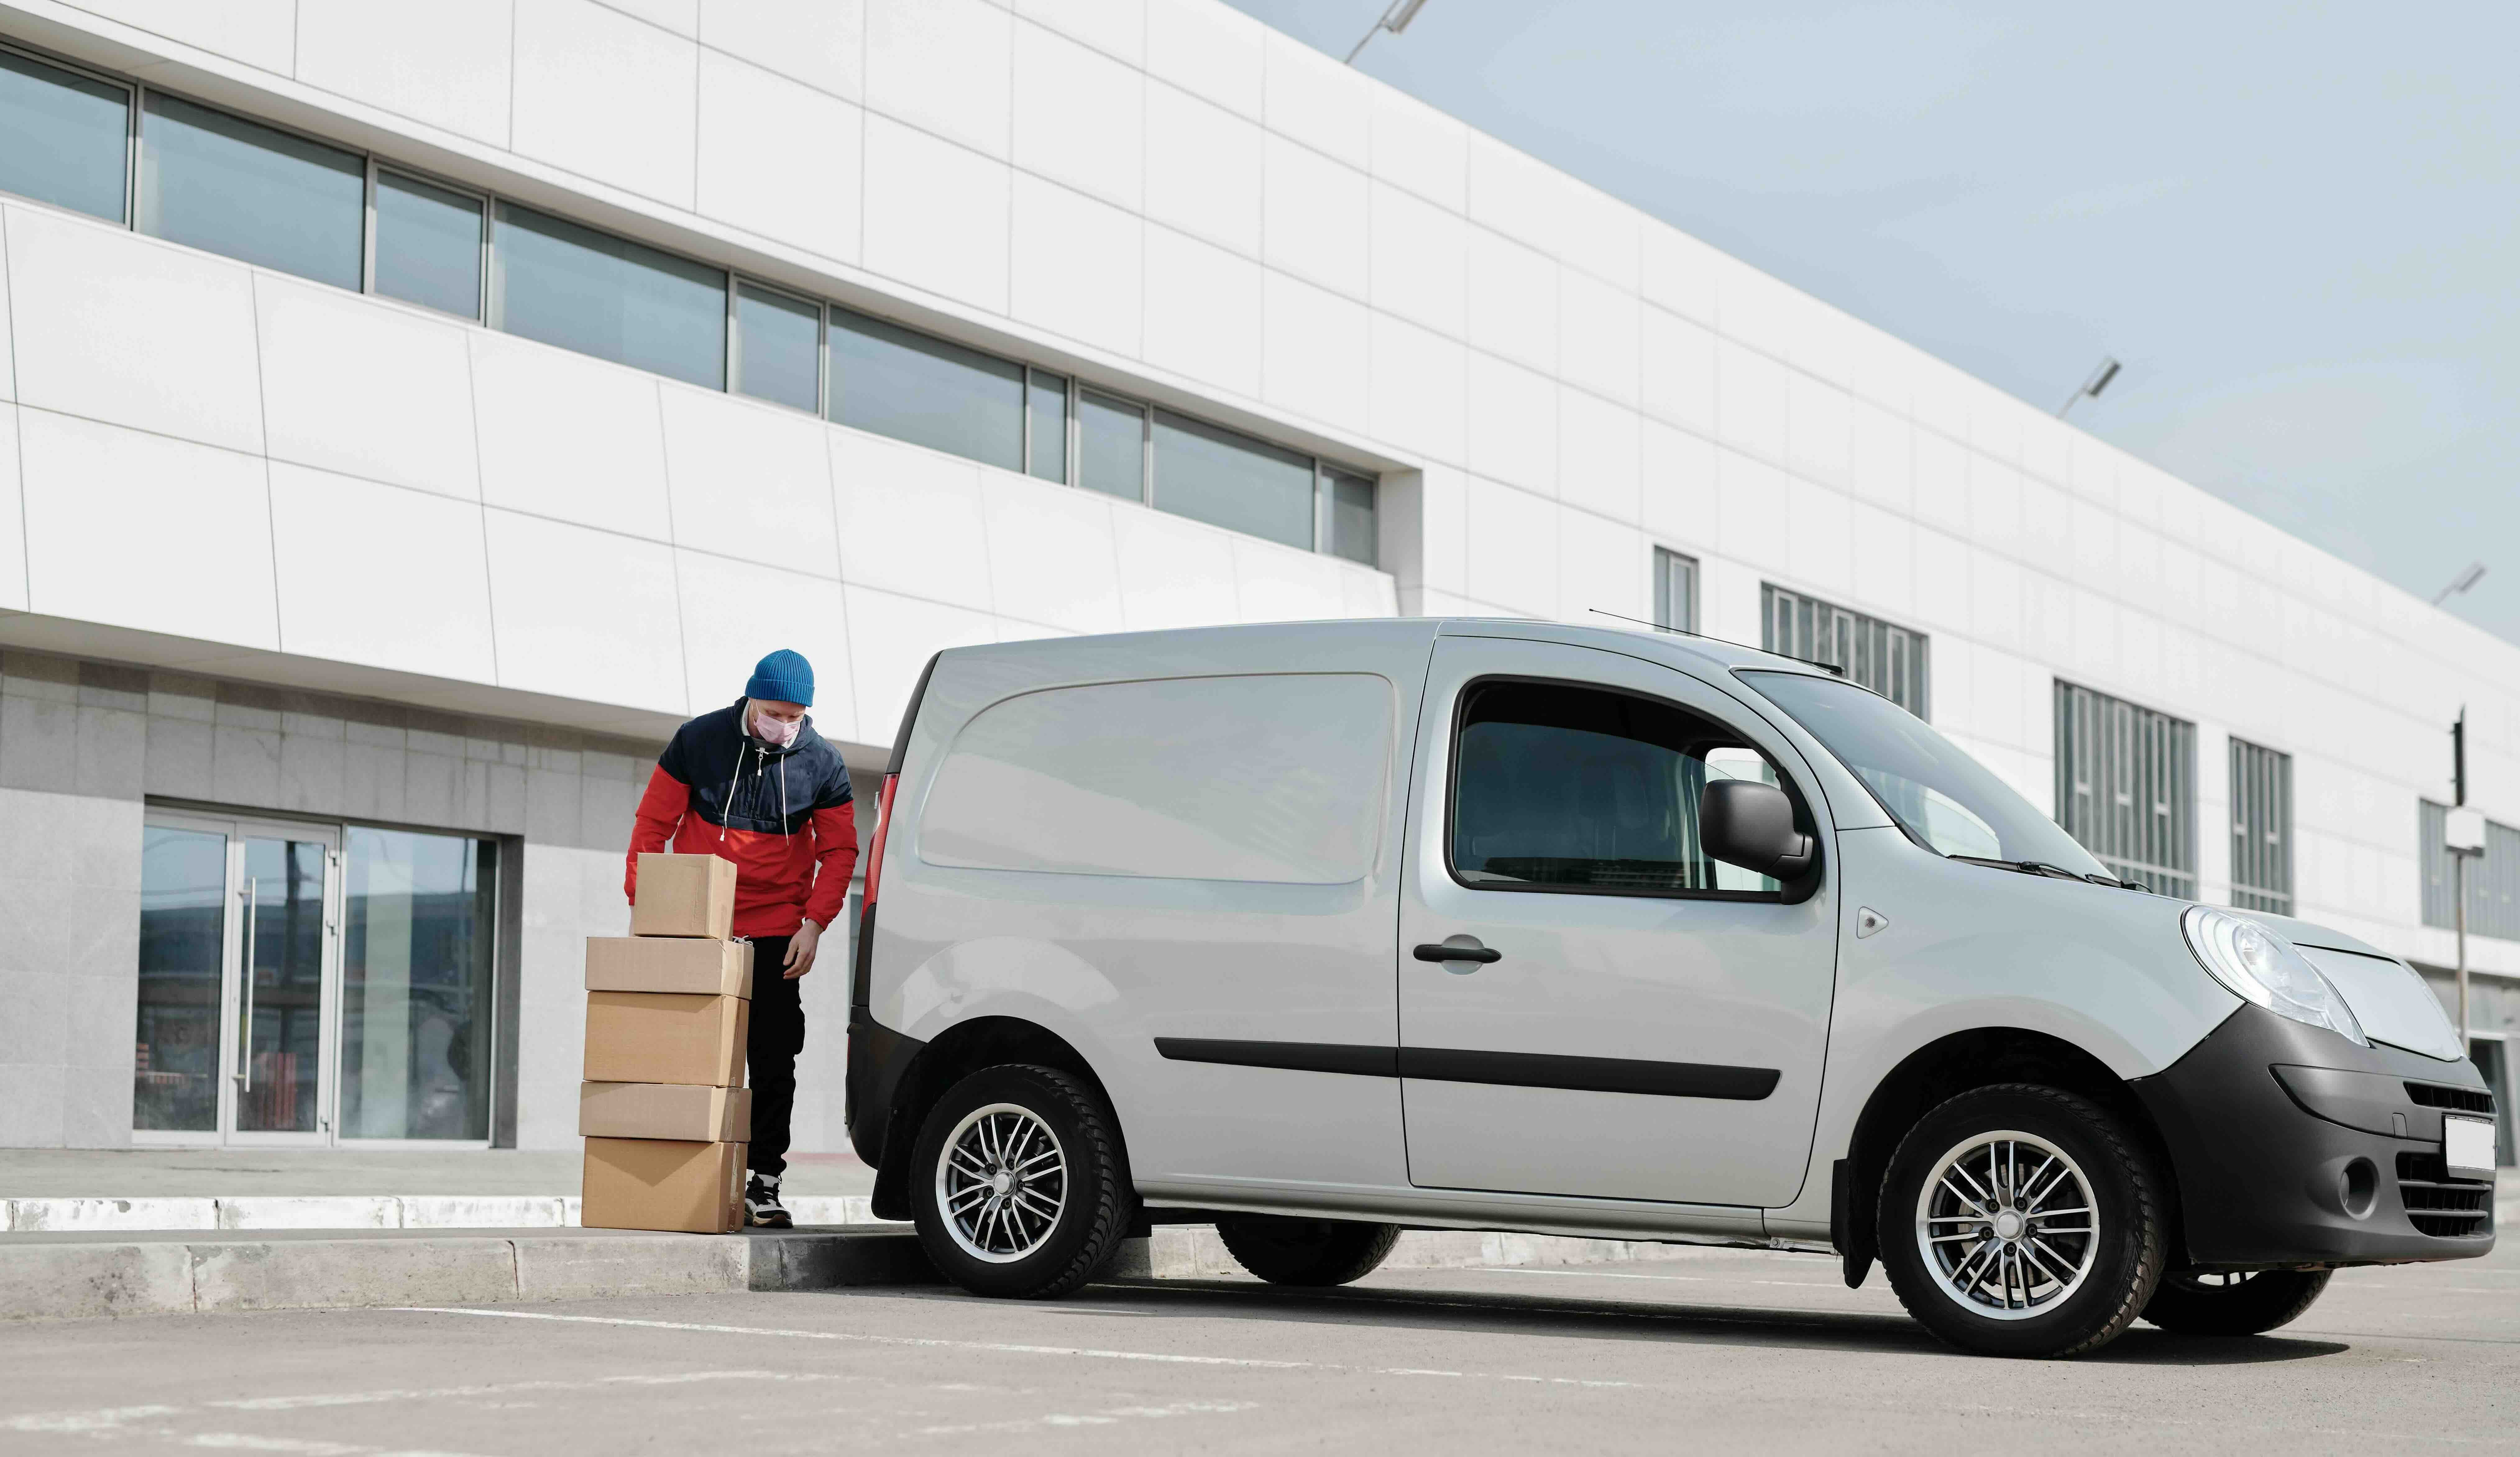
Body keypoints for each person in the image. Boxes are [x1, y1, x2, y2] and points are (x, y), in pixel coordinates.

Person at [626, 649, 857, 1228]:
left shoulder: (824, 764)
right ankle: (678, 1172)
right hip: (702, 921)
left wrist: (815, 923)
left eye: (796, 716)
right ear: (751, 700)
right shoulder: (697, 741)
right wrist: (647, 903)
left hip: (780, 929)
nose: (785, 725)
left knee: (775, 1059)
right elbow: (653, 825)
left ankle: (765, 1183)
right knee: (688, 1054)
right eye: (775, 712)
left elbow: (840, 852)